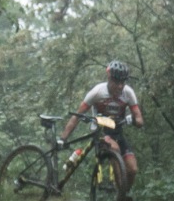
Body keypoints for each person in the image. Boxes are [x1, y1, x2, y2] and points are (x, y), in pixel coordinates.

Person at [62, 59, 144, 192]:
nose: (120, 86)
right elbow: (77, 116)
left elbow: (139, 119)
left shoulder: (128, 93)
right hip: (101, 132)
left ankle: (122, 198)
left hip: (117, 133)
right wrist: (63, 138)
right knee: (114, 148)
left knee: (133, 169)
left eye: (123, 82)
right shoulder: (97, 92)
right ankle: (120, 191)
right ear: (109, 78)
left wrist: (134, 120)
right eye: (116, 82)